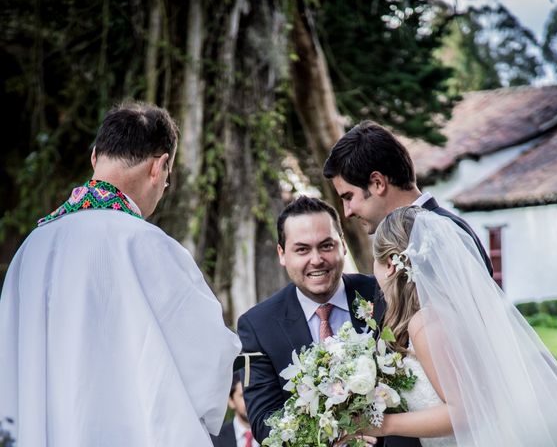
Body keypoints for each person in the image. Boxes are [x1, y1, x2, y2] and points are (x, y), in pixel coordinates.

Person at [0, 101, 241, 447]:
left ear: (95, 157)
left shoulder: (30, 249)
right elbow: (207, 355)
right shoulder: (145, 244)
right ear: (159, 167)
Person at [363, 205, 557, 446]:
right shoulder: (453, 313)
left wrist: (383, 424)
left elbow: (463, 413)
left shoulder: (425, 323)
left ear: (390, 264)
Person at [237, 196, 391, 445]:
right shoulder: (256, 326)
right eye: (302, 249)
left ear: (342, 245)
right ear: (282, 254)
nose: (316, 259)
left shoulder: (383, 294)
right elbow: (263, 421)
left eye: (326, 246)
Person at [322, 120, 492, 275]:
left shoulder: (440, 233)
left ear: (377, 183)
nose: (347, 212)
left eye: (349, 197)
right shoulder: (413, 233)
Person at [211, 370, 259, 447]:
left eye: (254, 393)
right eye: (243, 395)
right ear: (231, 401)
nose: (251, 400)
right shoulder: (215, 438)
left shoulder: (274, 433)